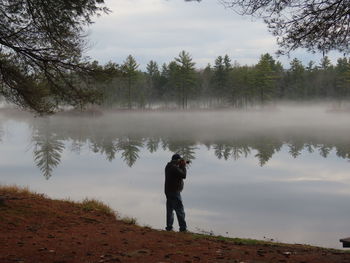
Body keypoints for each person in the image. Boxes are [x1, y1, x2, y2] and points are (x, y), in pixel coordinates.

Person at [164, 153, 187, 232]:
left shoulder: (169, 166)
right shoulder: (174, 167)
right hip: (174, 191)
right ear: (177, 160)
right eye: (179, 160)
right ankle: (183, 228)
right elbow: (183, 175)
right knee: (180, 210)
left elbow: (178, 173)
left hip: (168, 191)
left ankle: (169, 227)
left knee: (170, 210)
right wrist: (183, 166)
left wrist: (180, 165)